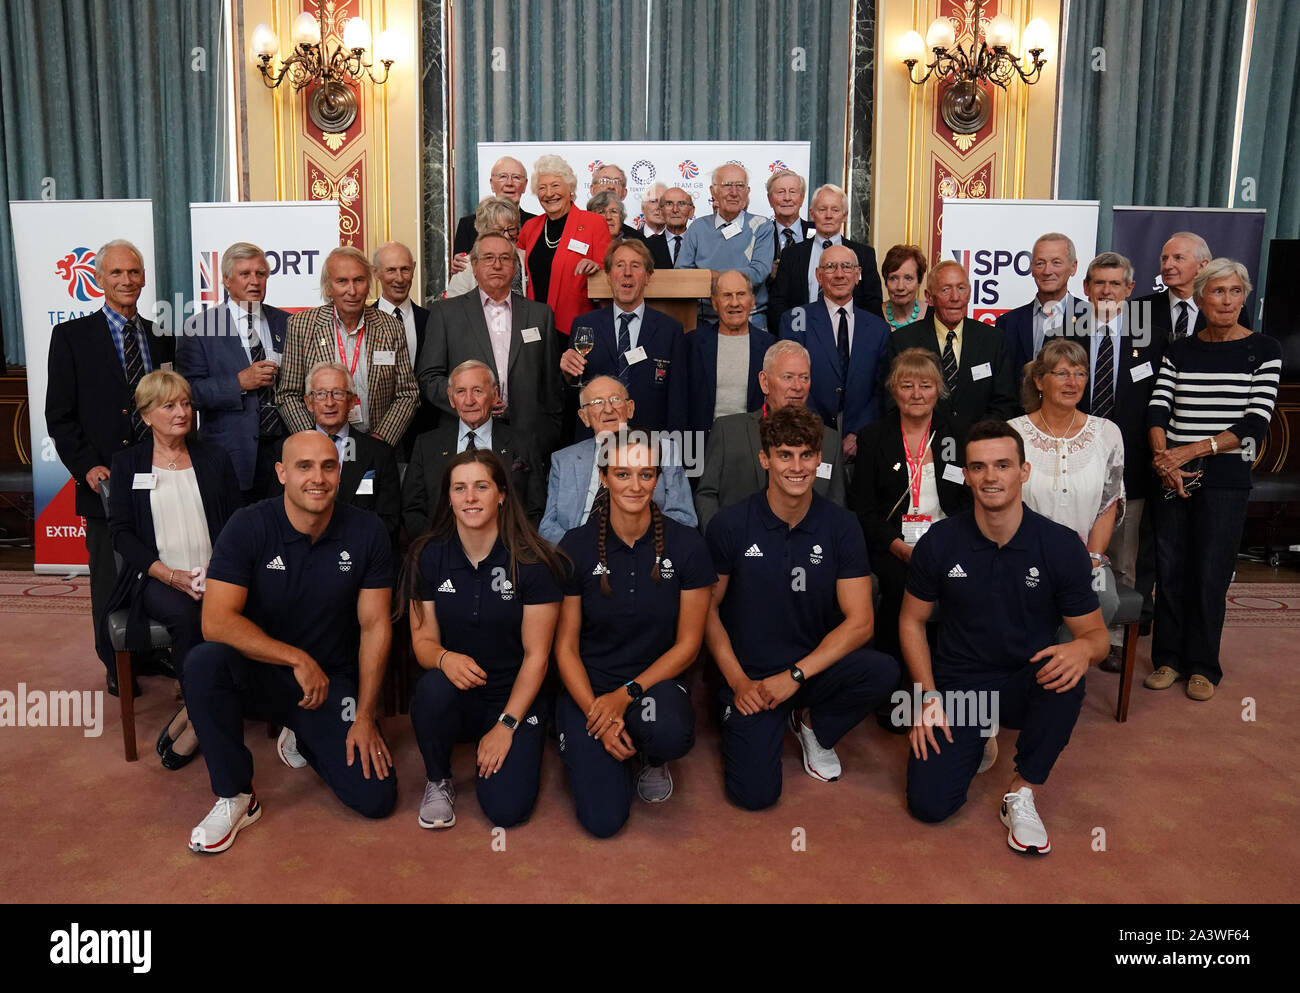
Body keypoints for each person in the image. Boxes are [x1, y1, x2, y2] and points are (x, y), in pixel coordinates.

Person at [901, 420, 1108, 854]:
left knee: (1067, 674)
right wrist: (927, 697)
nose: (990, 477)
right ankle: (974, 734)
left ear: (1024, 471)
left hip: (1024, 681)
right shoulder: (939, 542)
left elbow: (1096, 637)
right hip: (963, 686)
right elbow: (911, 621)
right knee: (929, 805)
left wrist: (1082, 649)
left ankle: (1022, 791)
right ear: (967, 474)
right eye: (978, 467)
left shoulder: (1059, 545)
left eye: (1002, 465)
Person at [185, 431, 397, 853]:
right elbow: (216, 621)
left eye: (328, 466)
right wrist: (295, 657)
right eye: (304, 466)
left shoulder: (368, 531)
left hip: (329, 682)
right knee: (204, 662)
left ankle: (299, 733)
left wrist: (366, 716)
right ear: (282, 473)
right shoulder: (248, 525)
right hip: (260, 672)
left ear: (340, 473)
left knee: (377, 798)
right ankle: (236, 797)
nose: (317, 477)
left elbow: (375, 627)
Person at [705, 404, 899, 809]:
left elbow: (861, 622)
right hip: (752, 679)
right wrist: (739, 683)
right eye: (785, 455)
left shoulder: (841, 526)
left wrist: (795, 676)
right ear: (765, 459)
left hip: (810, 670)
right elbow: (706, 612)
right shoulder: (729, 524)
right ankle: (763, 722)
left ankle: (812, 724)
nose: (797, 466)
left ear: (819, 458)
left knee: (883, 671)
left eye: (806, 454)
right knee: (755, 797)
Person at [555, 432, 714, 837]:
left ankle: (651, 754)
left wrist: (624, 697)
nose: (635, 485)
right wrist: (601, 714)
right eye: (623, 473)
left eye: (646, 474)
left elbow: (688, 645)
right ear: (605, 477)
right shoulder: (576, 545)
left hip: (652, 685)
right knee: (604, 821)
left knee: (667, 731)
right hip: (588, 690)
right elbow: (566, 648)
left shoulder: (688, 546)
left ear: (658, 478)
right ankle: (611, 747)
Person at [404, 449, 567, 829]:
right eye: (459, 488)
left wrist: (506, 725)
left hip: (514, 696)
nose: (470, 497)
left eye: (481, 486)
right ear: (448, 497)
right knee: (431, 689)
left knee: (507, 811)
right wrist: (445, 659)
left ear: (502, 494)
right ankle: (438, 778)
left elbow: (537, 657)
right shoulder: (427, 555)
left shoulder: (533, 562)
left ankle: (509, 738)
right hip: (456, 692)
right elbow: (423, 642)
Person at [1146, 258, 1281, 701]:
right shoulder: (1179, 349)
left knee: (1210, 574)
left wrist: (1192, 450)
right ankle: (1166, 659)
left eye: (1235, 291)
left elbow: (1254, 424)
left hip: (1225, 478)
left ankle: (1203, 666)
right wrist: (1165, 460)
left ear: (1245, 296)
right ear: (1200, 298)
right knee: (1169, 572)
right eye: (1217, 292)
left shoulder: (1263, 349)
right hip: (1173, 474)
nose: (1227, 301)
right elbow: (1157, 410)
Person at [46, 239, 174, 696]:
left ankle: (150, 649)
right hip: (103, 482)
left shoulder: (160, 337)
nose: (127, 281)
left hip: (159, 479)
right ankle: (115, 662)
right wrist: (87, 468)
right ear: (98, 280)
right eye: (117, 273)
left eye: (134, 273)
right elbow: (59, 416)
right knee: (110, 575)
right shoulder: (71, 338)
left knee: (157, 567)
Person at [106, 370, 242, 769]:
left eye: (185, 403)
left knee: (235, 609)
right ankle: (202, 718)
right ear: (147, 416)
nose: (182, 412)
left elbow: (236, 522)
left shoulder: (214, 457)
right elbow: (122, 535)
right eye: (169, 406)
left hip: (216, 571)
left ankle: (192, 713)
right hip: (156, 576)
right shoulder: (128, 463)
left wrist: (220, 572)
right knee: (187, 615)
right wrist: (170, 575)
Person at [1049, 252, 1162, 666]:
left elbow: (1157, 405)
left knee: (1123, 557)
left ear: (1130, 290)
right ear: (1086, 288)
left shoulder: (1150, 339)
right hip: (1069, 464)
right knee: (1068, 551)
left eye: (1116, 284)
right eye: (1099, 283)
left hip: (1126, 467)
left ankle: (1112, 640)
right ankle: (1068, 629)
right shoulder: (1063, 334)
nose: (1107, 291)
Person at [847, 349, 970, 661]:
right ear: (893, 388)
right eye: (907, 385)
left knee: (962, 581)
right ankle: (896, 679)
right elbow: (863, 509)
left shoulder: (959, 434)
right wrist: (898, 547)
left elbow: (971, 502)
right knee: (901, 586)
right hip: (893, 545)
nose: (917, 394)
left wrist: (949, 545)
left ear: (939, 389)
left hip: (950, 542)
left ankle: (951, 670)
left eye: (926, 385)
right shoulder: (873, 437)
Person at [1008, 340, 1125, 636]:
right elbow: (1001, 504)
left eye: (1080, 373)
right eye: (1061, 374)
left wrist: (1093, 559)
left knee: (1103, 598)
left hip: (1083, 558)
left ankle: (1065, 671)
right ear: (1039, 380)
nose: (1073, 382)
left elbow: (1108, 504)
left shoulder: (1107, 433)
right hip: (1021, 555)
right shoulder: (1012, 433)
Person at [417, 232, 563, 456]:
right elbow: (429, 377)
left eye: (505, 258)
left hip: (526, 442)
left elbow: (551, 386)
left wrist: (547, 435)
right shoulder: (446, 313)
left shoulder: (540, 315)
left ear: (514, 267)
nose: (497, 265)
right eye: (488, 258)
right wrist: (470, 402)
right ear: (473, 267)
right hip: (466, 438)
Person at [176, 241, 289, 502]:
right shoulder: (199, 328)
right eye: (245, 274)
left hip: (285, 449)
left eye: (261, 274)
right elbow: (187, 393)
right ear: (227, 280)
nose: (254, 281)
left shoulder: (287, 323)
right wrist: (238, 382)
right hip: (231, 454)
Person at [695, 340, 847, 531]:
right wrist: (721, 540)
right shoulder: (728, 431)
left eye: (804, 378)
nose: (798, 386)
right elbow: (706, 495)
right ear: (764, 382)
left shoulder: (830, 440)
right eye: (788, 377)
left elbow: (837, 506)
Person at [277, 246, 418, 448]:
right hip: (320, 447)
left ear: (369, 285)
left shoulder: (391, 327)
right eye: (342, 281)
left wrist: (380, 441)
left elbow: (407, 394)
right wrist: (314, 438)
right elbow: (287, 394)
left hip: (376, 445)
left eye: (359, 281)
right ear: (328, 287)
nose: (351, 291)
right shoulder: (302, 325)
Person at [540, 376, 696, 542]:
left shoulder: (664, 450)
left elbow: (684, 517)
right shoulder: (563, 460)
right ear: (584, 416)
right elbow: (548, 526)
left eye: (615, 399)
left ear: (630, 408)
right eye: (597, 402)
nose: (608, 409)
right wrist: (580, 550)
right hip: (577, 555)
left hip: (642, 551)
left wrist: (638, 547)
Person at [404, 360, 545, 538]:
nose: (469, 401)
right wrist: (437, 547)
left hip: (508, 550)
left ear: (494, 395)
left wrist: (511, 546)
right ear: (451, 398)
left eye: (477, 391)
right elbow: (412, 510)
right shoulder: (426, 445)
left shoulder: (523, 443)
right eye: (461, 392)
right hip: (441, 551)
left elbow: (535, 509)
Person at [560, 239, 687, 435]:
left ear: (647, 277)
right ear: (609, 276)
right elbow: (573, 392)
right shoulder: (584, 325)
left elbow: (678, 398)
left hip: (650, 442)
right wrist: (567, 375)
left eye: (635, 266)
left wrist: (674, 451)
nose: (627, 272)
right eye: (620, 265)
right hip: (595, 440)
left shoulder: (670, 330)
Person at [778, 244, 892, 461]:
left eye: (846, 267)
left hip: (862, 440)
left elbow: (881, 389)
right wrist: (820, 432)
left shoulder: (878, 328)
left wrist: (858, 433)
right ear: (819, 276)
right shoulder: (796, 319)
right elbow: (790, 382)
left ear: (858, 275)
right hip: (808, 434)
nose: (839, 274)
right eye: (830, 267)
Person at [268, 362, 401, 546]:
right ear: (309, 403)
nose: (329, 402)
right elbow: (274, 514)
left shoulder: (379, 453)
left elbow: (389, 521)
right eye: (321, 394)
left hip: (358, 554)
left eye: (337, 393)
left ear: (352, 401)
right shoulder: (284, 450)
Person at [890, 261, 1017, 425]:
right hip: (923, 442)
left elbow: (1005, 402)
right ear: (929, 297)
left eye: (961, 288)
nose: (955, 297)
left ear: (970, 294)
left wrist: (977, 437)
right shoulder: (903, 341)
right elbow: (893, 401)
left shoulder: (993, 339)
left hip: (978, 442)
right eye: (946, 289)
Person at [518, 155, 613, 336]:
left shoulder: (594, 223)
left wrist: (597, 267)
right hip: (534, 326)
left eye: (555, 185)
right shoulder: (530, 228)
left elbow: (608, 271)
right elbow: (515, 270)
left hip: (575, 325)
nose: (549, 193)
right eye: (542, 188)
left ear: (570, 189)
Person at [768, 184, 883, 332]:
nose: (828, 215)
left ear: (845, 215)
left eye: (835, 210)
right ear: (812, 214)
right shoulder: (792, 254)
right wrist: (797, 335)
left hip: (849, 336)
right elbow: (779, 303)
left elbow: (872, 303)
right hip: (802, 336)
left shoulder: (863, 254)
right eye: (822, 209)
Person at [677, 163, 775, 326]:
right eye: (727, 185)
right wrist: (717, 276)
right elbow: (682, 274)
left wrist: (712, 276)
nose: (734, 193)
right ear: (713, 191)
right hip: (705, 319)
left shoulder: (762, 225)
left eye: (740, 186)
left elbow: (758, 273)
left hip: (750, 319)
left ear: (747, 192)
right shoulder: (698, 227)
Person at [686, 270, 777, 437]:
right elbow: (680, 402)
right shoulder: (692, 344)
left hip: (755, 445)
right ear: (714, 303)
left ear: (752, 300)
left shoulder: (770, 346)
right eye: (726, 295)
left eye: (741, 294)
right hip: (703, 447)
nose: (734, 303)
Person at [371, 241, 436, 461]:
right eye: (391, 270)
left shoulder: (434, 322)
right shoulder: (361, 322)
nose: (399, 278)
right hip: (374, 437)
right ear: (376, 273)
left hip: (425, 437)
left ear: (414, 269)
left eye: (405, 269)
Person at [995, 233, 1083, 378]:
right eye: (1040, 263)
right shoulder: (1007, 323)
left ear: (1073, 267)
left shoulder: (1091, 318)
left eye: (1056, 262)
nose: (1047, 271)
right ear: (1032, 269)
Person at [450, 155, 536, 266]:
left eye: (516, 177)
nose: (509, 183)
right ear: (492, 184)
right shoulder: (467, 225)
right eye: (503, 177)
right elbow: (460, 270)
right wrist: (459, 267)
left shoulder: (535, 224)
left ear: (524, 185)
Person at [445, 198, 527, 298]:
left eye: (511, 229)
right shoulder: (465, 265)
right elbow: (453, 306)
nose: (507, 236)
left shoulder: (526, 258)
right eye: (499, 230)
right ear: (483, 231)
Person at [766, 168, 813, 266]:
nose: (787, 198)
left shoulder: (819, 232)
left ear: (802, 198)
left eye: (792, 192)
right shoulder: (761, 235)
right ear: (770, 199)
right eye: (781, 192)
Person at [880, 244, 930, 331]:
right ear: (886, 281)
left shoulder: (934, 316)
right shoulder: (872, 316)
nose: (900, 287)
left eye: (908, 278)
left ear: (919, 281)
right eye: (893, 278)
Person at [590, 163, 643, 241]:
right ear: (592, 190)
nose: (611, 186)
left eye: (617, 182)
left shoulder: (636, 239)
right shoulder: (576, 232)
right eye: (605, 180)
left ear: (624, 193)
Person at [645, 186, 695, 270]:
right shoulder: (646, 246)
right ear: (661, 212)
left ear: (691, 211)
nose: (675, 210)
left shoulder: (702, 245)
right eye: (669, 204)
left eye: (681, 203)